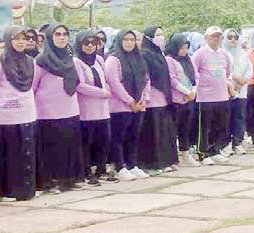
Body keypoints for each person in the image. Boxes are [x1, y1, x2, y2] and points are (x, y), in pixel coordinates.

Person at [0, 27, 39, 199]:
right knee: (9, 157)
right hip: (5, 118)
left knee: (26, 156)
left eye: (24, 38)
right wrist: (4, 103)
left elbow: (31, 86)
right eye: (16, 38)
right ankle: (7, 191)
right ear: (8, 40)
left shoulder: (31, 61)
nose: (21, 42)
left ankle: (26, 191)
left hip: (27, 114)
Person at [32, 23, 84, 193]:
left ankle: (69, 179)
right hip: (48, 114)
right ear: (49, 38)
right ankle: (50, 182)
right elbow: (32, 87)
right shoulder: (41, 61)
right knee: (52, 149)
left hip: (70, 109)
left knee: (69, 147)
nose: (62, 37)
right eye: (57, 34)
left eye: (65, 34)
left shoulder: (69, 58)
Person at [104, 30, 149, 181]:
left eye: (132, 39)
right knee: (118, 138)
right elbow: (114, 82)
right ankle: (119, 166)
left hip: (139, 105)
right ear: (119, 41)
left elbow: (145, 78)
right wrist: (130, 101)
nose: (129, 42)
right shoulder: (113, 59)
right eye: (126, 39)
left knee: (133, 137)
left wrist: (144, 98)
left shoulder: (139, 58)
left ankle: (132, 164)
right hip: (120, 106)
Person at [135, 26, 178, 174]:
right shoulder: (145, 54)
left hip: (164, 99)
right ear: (148, 38)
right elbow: (146, 77)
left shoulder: (159, 54)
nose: (161, 37)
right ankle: (151, 164)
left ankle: (165, 161)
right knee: (152, 134)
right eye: (157, 34)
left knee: (164, 132)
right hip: (152, 100)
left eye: (162, 34)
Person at [73, 31, 110, 185]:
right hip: (86, 110)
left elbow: (106, 79)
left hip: (103, 109)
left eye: (93, 43)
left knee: (103, 141)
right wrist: (101, 92)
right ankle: (87, 172)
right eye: (86, 43)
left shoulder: (99, 60)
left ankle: (101, 170)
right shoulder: (76, 62)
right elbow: (79, 85)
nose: (89, 46)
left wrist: (107, 91)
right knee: (87, 142)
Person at [193, 27, 234, 165]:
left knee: (220, 125)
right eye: (213, 36)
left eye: (219, 36)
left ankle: (216, 150)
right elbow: (193, 73)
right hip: (205, 97)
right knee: (205, 127)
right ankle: (203, 153)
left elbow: (227, 72)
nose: (216, 39)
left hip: (221, 96)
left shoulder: (224, 54)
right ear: (206, 38)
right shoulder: (200, 54)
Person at [164, 33, 199, 166]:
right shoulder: (169, 60)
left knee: (186, 129)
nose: (184, 51)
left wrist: (193, 90)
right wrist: (187, 91)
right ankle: (172, 158)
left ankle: (185, 153)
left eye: (186, 47)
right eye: (182, 48)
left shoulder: (188, 59)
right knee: (173, 131)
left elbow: (196, 76)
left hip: (189, 99)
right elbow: (172, 79)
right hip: (176, 100)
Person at [222, 29, 252, 155]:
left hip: (241, 90)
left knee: (239, 117)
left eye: (235, 37)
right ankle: (226, 144)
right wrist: (235, 79)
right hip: (227, 90)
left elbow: (250, 69)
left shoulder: (243, 53)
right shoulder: (222, 52)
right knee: (227, 118)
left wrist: (241, 81)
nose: (233, 39)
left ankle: (237, 143)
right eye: (230, 37)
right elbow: (223, 70)